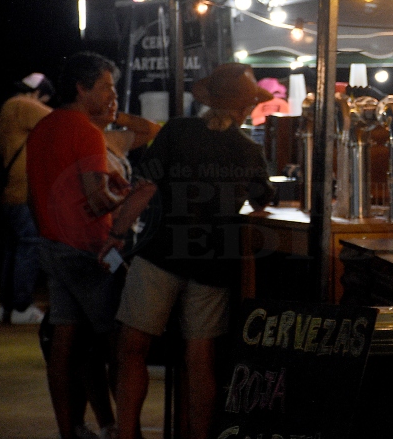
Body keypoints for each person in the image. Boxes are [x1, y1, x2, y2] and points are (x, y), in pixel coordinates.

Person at [106, 63, 274, 439]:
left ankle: (126, 434)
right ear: (246, 108)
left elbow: (145, 189)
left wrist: (116, 233)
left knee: (132, 348)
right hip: (213, 261)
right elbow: (261, 200)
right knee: (200, 360)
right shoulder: (249, 149)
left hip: (161, 253)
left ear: (208, 99)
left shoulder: (177, 130)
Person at [27, 52, 156, 439]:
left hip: (53, 246)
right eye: (106, 88)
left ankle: (71, 430)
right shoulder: (85, 132)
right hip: (93, 250)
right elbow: (98, 201)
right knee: (120, 344)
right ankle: (125, 431)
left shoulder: (43, 127)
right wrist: (133, 195)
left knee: (65, 343)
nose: (112, 96)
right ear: (81, 89)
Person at [0, 72, 54, 324]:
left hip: (9, 192)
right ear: (37, 93)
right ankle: (21, 306)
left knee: (15, 247)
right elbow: (61, 122)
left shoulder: (5, 110)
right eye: (44, 100)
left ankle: (7, 306)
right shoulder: (22, 105)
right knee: (30, 244)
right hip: (23, 191)